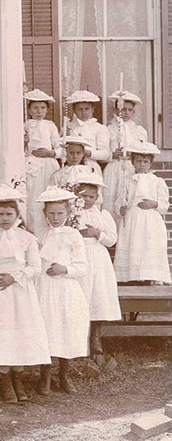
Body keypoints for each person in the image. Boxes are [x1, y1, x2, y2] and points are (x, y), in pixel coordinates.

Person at [0, 187, 51, 403]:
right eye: (0, 214)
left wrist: (15, 277)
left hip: (20, 292)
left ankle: (18, 378)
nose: (4, 218)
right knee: (2, 332)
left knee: (20, 333)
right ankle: (4, 380)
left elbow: (35, 267)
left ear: (17, 215)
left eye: (9, 214)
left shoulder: (26, 238)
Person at [35, 186, 89, 395]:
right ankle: (45, 376)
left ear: (68, 213)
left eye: (60, 213)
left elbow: (82, 266)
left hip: (67, 289)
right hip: (46, 289)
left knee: (67, 329)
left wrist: (64, 269)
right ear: (45, 214)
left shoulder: (73, 235)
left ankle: (64, 375)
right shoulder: (41, 235)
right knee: (48, 329)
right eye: (51, 213)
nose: (55, 218)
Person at [74, 173, 120, 354]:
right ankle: (79, 339)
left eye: (91, 196)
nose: (87, 200)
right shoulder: (72, 213)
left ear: (97, 197)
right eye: (83, 195)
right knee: (80, 295)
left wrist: (97, 234)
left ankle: (95, 339)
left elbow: (112, 240)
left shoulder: (103, 214)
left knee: (98, 296)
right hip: (79, 256)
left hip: (98, 258)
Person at [114, 142, 170, 284]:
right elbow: (120, 201)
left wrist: (154, 204)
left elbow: (164, 205)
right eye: (138, 161)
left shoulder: (157, 182)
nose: (142, 165)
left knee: (148, 246)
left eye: (145, 162)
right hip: (133, 219)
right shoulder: (127, 181)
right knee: (133, 245)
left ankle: (151, 277)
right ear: (133, 162)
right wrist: (121, 208)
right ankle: (132, 277)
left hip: (150, 220)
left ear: (150, 164)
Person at [103, 90, 148, 229]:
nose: (126, 112)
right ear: (117, 110)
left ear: (133, 112)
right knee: (112, 199)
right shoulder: (109, 129)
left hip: (130, 167)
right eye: (123, 109)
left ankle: (128, 234)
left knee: (129, 199)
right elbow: (104, 150)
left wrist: (132, 153)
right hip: (114, 167)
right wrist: (112, 154)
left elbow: (143, 150)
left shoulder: (139, 130)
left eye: (130, 110)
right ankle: (112, 235)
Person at [23, 89, 61, 233]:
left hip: (48, 165)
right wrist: (24, 143)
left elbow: (60, 148)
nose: (39, 111)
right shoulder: (25, 126)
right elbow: (20, 151)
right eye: (35, 108)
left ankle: (49, 233)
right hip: (32, 166)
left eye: (43, 108)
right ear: (29, 109)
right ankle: (33, 233)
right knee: (33, 201)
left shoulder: (50, 126)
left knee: (47, 197)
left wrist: (51, 153)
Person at [66, 90, 111, 167]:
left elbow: (105, 154)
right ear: (74, 110)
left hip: (91, 166)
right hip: (72, 166)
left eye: (87, 109)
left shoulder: (99, 128)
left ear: (92, 109)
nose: (84, 112)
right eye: (80, 109)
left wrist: (89, 153)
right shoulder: (69, 127)